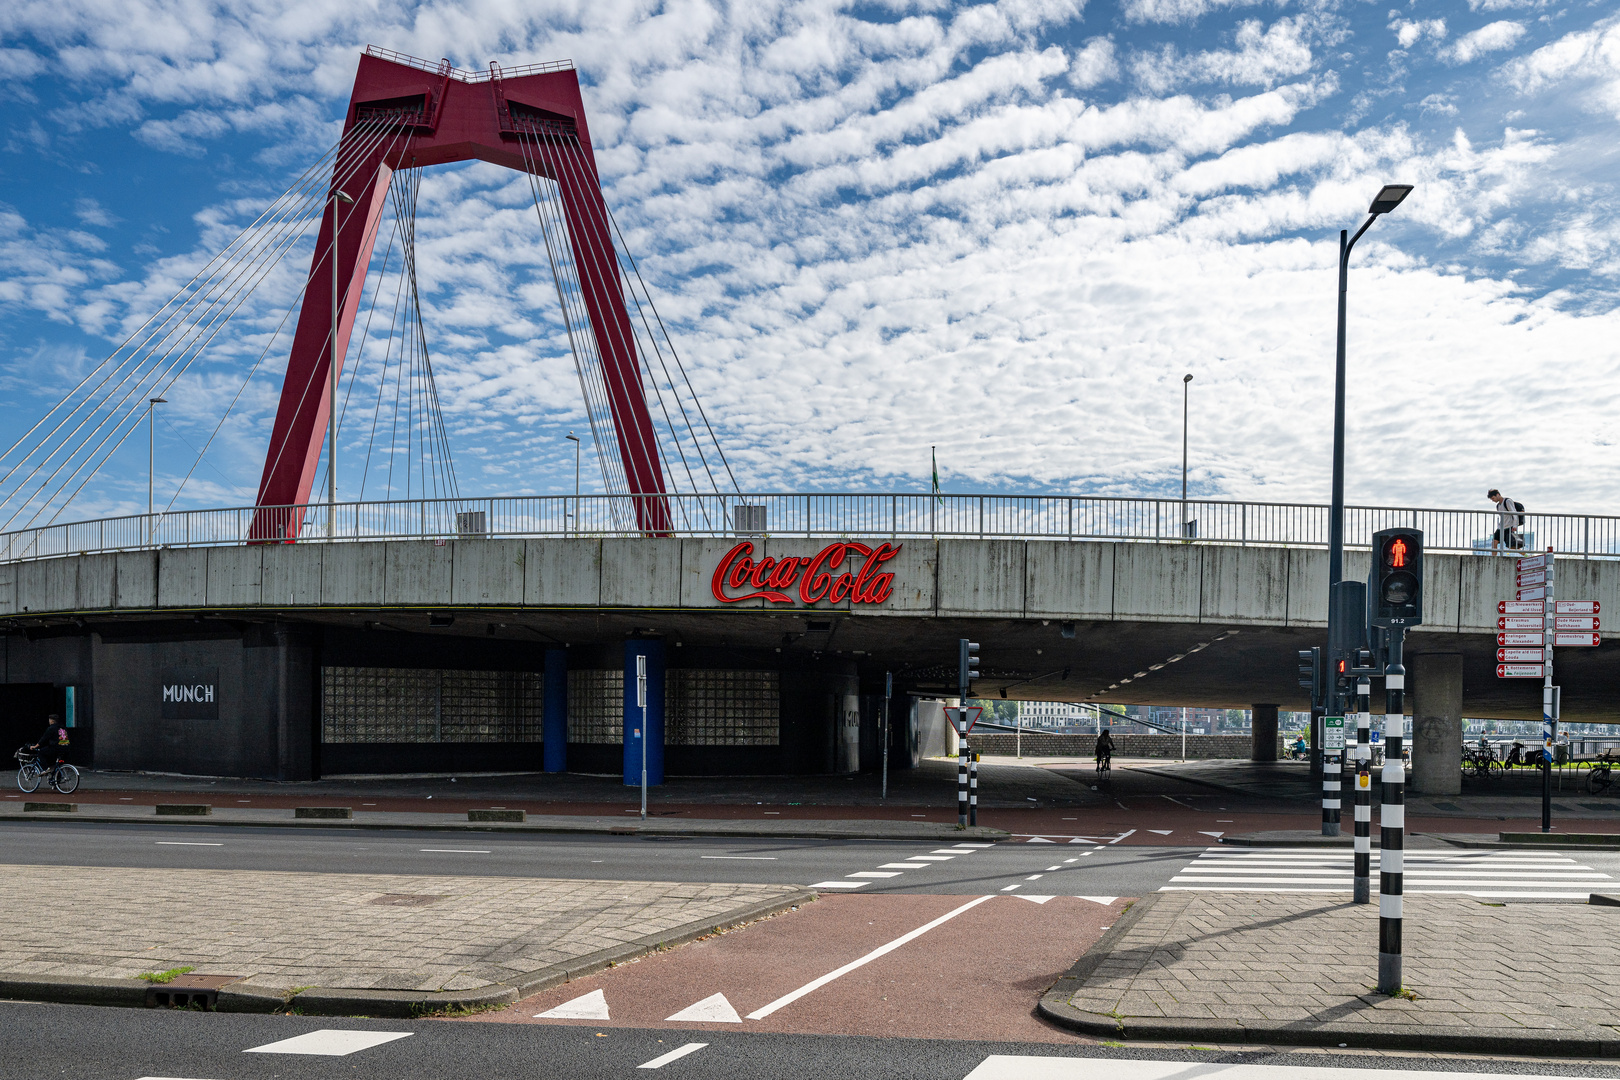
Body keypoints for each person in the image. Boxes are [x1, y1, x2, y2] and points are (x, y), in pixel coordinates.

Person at [1488, 489, 1525, 554]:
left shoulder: (1507, 501)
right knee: (1494, 542)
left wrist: (1515, 525)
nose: (1493, 500)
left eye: (1493, 498)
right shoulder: (1498, 506)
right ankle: (1493, 559)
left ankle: (1527, 556)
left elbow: (1514, 513)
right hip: (1501, 527)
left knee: (1511, 546)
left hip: (1509, 527)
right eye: (1492, 499)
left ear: (1498, 495)